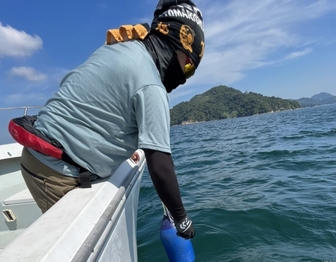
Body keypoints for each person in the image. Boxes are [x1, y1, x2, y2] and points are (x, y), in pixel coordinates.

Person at [10, 0, 204, 240]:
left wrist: (122, 148)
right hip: (56, 171)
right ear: (175, 46)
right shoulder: (151, 85)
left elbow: (101, 104)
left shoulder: (122, 49)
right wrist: (181, 219)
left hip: (40, 155)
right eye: (187, 68)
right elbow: (160, 165)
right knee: (73, 246)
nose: (184, 78)